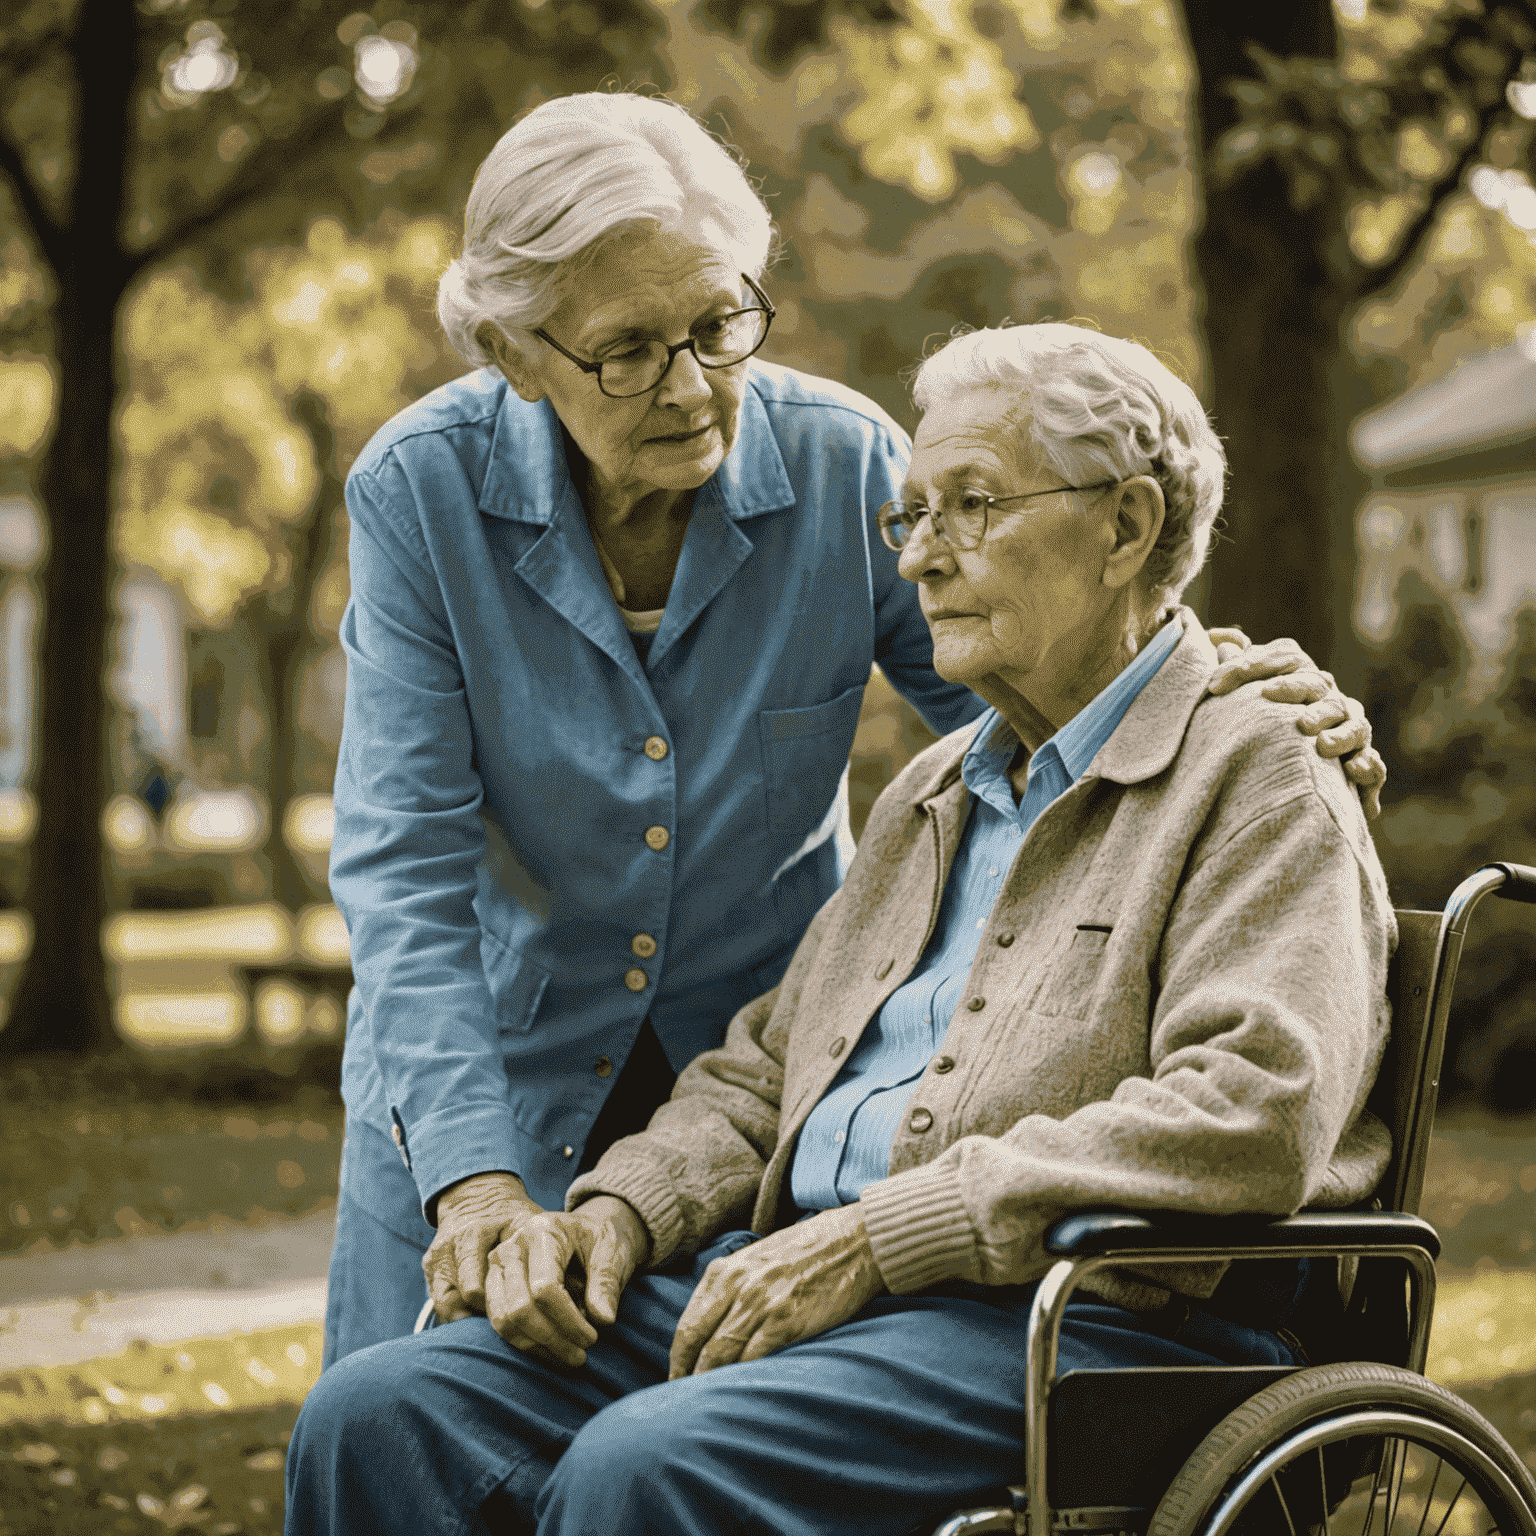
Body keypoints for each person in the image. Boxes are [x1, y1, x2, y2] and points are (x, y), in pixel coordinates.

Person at [323, 89, 1386, 1366]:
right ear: (515, 352)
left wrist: (1221, 707)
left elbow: (1052, 719)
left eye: (721, 323)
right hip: (495, 1078)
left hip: (761, 1088)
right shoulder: (419, 493)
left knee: (664, 1453)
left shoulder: (846, 470)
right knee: (406, 1418)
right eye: (629, 349)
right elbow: (406, 873)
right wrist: (475, 1184)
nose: (695, 383)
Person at [289, 321, 1395, 1536]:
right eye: (908, 517)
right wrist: (616, 1215)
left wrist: (881, 1237)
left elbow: (1254, 1112)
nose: (920, 558)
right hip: (835, 1287)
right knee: (382, 1410)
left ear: (1127, 528)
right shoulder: (934, 793)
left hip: (1088, 1318)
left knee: (647, 1467)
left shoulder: (1260, 775)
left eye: (971, 506)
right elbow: (766, 1073)